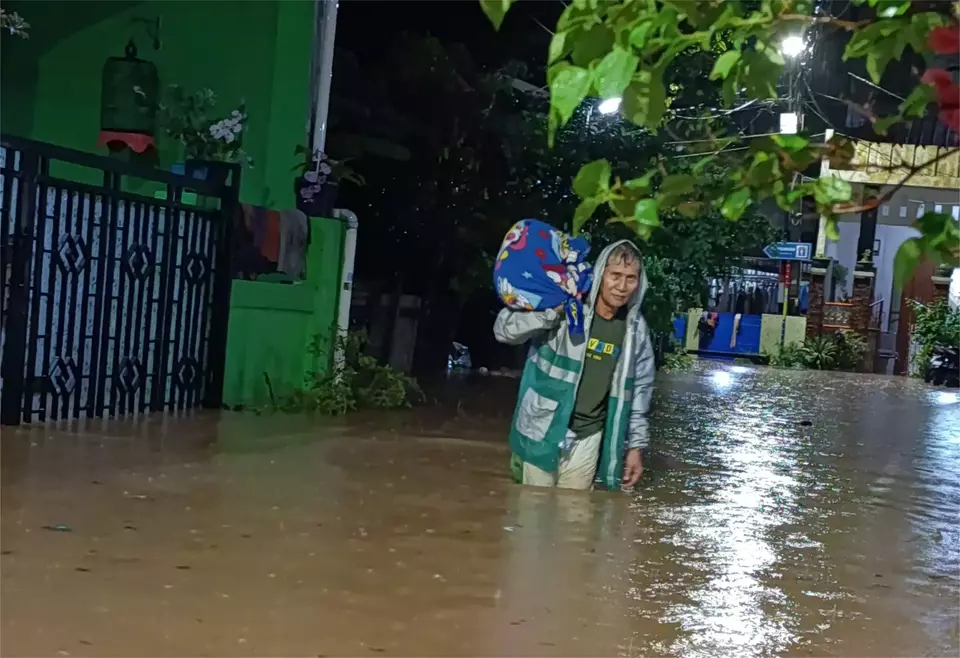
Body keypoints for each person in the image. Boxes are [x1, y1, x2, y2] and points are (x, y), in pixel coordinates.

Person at [494, 240, 655, 491]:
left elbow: (641, 391)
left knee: (575, 519)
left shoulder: (636, 330)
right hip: (542, 425)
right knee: (532, 516)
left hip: (588, 436)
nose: (622, 287)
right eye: (615, 276)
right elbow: (503, 330)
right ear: (601, 273)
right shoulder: (565, 304)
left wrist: (636, 447)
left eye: (631, 278)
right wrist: (551, 312)